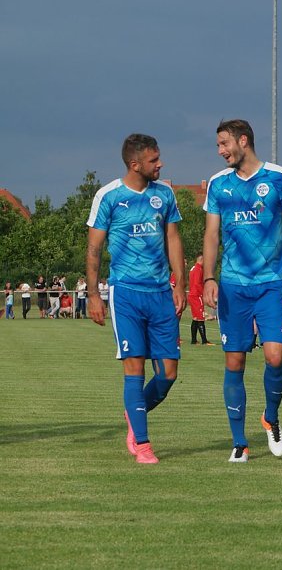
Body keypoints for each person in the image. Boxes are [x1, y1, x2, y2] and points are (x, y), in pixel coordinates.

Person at [203, 119, 282, 463]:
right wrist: (208, 278)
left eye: (223, 144)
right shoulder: (218, 185)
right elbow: (212, 235)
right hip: (233, 286)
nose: (220, 151)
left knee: (276, 356)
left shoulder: (278, 177)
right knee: (235, 361)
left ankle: (271, 417)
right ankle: (239, 442)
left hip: (273, 283)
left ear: (242, 141)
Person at [86, 133, 187, 465]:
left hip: (160, 293)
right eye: (154, 160)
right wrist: (93, 295)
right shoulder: (109, 197)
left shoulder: (164, 194)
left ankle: (135, 411)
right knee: (135, 368)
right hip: (125, 292)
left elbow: (173, 238)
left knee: (169, 373)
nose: (160, 164)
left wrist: (180, 284)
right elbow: (94, 250)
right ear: (135, 164)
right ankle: (142, 443)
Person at [188, 254, 213, 345]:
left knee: (195, 318)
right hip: (196, 295)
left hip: (192, 294)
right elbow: (197, 283)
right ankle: (204, 341)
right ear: (202, 260)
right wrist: (204, 293)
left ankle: (194, 340)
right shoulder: (198, 269)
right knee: (200, 318)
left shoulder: (193, 268)